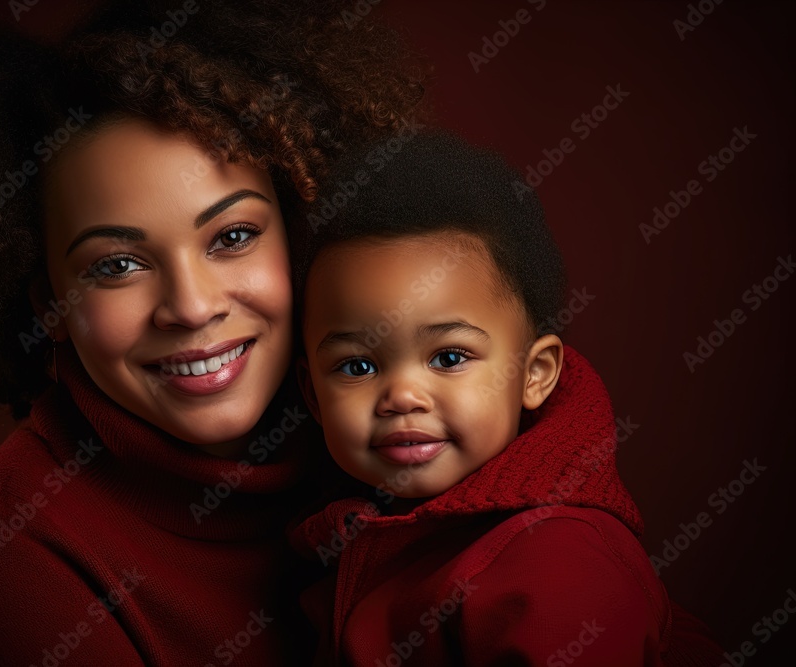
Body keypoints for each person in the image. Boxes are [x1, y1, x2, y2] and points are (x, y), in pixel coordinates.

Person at [0, 1, 424, 664]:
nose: (192, 306)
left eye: (232, 237)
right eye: (118, 265)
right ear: (47, 302)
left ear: (301, 237)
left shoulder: (394, 423)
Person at [289, 131, 724, 665]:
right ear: (312, 395)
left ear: (534, 374)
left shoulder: (559, 562)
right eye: (358, 366)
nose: (401, 395)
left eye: (449, 358)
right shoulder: (345, 536)